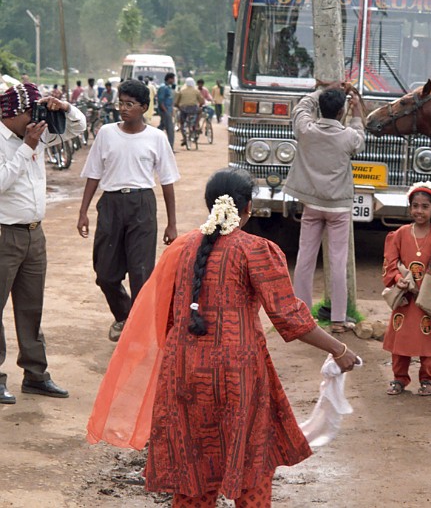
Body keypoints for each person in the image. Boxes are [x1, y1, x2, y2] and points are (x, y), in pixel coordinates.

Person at [94, 167, 359, 506]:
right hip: (237, 370)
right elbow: (289, 317)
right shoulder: (256, 249)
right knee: (250, 460)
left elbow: (167, 317)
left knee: (192, 463)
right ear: (247, 207)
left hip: (183, 368)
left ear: (210, 206)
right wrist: (339, 349)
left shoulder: (182, 248)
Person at [0, 80, 86, 404]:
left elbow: (78, 127)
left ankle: (36, 375)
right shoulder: (14, 139)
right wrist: (26, 148)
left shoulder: (37, 132)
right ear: (14, 112)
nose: (37, 116)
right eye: (31, 110)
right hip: (4, 232)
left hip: (35, 234)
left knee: (31, 308)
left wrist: (63, 107)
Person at [77, 79, 179, 342]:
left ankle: (139, 333)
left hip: (142, 206)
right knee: (106, 275)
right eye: (121, 103)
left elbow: (167, 181)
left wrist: (171, 223)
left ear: (143, 107)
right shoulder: (107, 133)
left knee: (141, 272)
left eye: (130, 104)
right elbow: (93, 174)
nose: (123, 108)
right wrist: (83, 211)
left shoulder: (156, 138)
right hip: (110, 205)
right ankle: (124, 316)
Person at [283, 83, 365, 333]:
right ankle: (338, 319)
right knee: (338, 262)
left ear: (321, 108)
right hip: (338, 207)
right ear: (342, 112)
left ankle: (303, 315)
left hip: (312, 204)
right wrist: (357, 106)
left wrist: (321, 90)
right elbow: (360, 131)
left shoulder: (306, 130)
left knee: (305, 258)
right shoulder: (348, 136)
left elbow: (301, 108)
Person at [382, 182, 431, 396]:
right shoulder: (401, 234)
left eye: (425, 207)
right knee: (400, 340)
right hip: (405, 298)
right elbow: (390, 263)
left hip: (429, 298)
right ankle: (399, 378)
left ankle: (427, 379)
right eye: (415, 206)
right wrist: (397, 278)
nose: (419, 211)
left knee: (426, 340)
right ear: (410, 207)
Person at [174, 77, 204, 144]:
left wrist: (179, 107)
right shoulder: (196, 91)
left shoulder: (181, 90)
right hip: (193, 109)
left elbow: (176, 102)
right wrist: (200, 105)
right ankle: (196, 125)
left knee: (182, 123)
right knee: (200, 111)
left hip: (184, 109)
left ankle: (184, 138)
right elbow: (202, 101)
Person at [157, 72, 176, 149]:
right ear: (169, 79)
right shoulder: (163, 88)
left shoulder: (168, 87)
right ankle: (170, 148)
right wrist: (166, 111)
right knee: (170, 129)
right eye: (173, 78)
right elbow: (161, 101)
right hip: (165, 111)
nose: (174, 80)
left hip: (168, 110)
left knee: (162, 126)